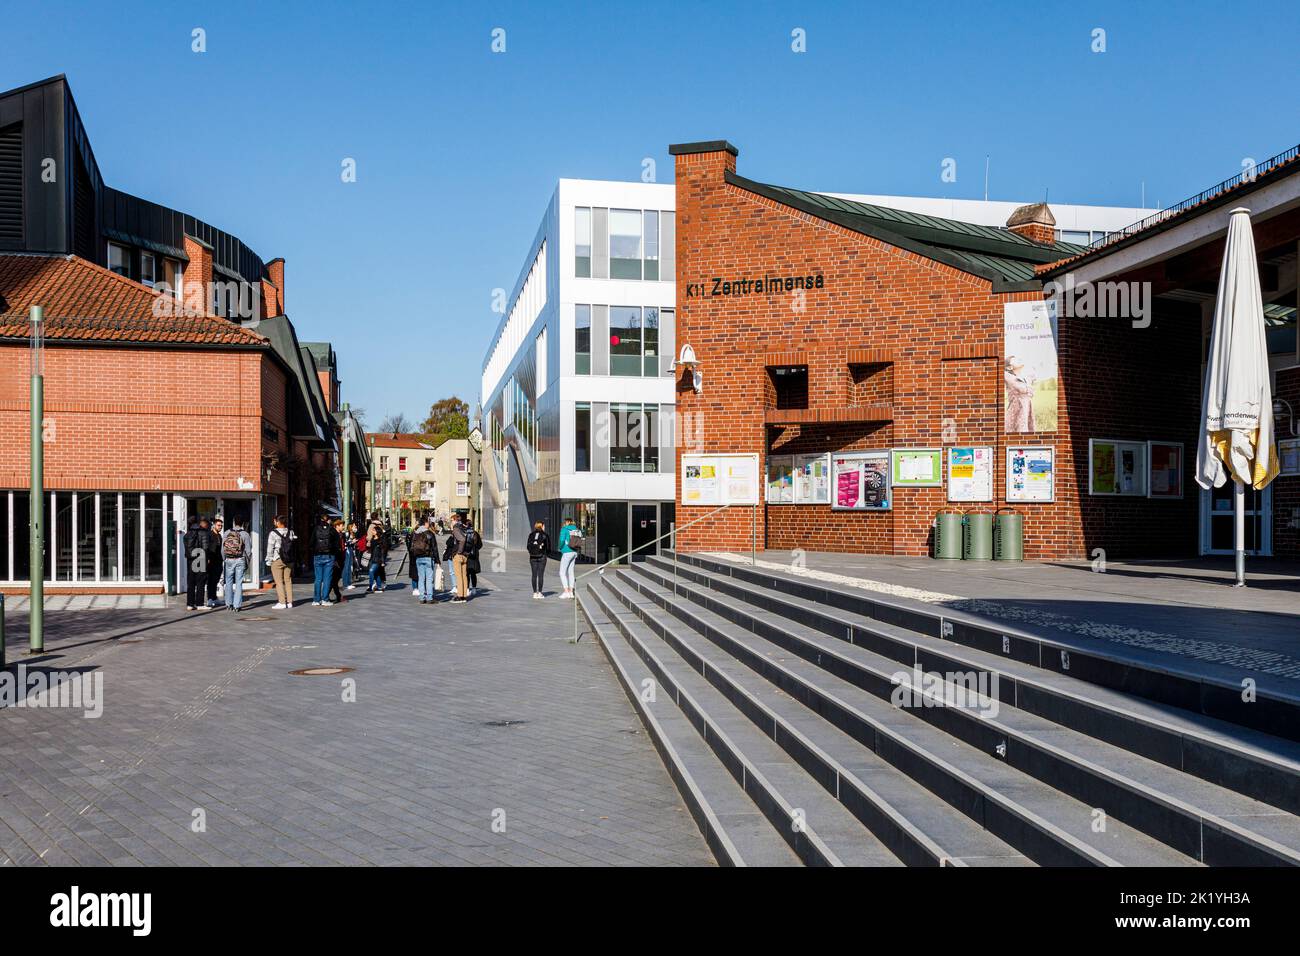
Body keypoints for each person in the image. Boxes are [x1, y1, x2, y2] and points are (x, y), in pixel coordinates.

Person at [221, 517, 253, 612]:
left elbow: (222, 549)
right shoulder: (245, 534)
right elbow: (248, 551)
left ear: (234, 522)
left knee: (229, 581)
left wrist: (224, 559)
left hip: (229, 559)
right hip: (240, 559)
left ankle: (228, 604)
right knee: (239, 582)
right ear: (242, 523)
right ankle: (237, 605)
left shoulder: (226, 533)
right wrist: (247, 562)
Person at [265, 515, 297, 609]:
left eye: (274, 521)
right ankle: (290, 602)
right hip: (289, 559)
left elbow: (270, 548)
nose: (274, 523)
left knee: (279, 582)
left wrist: (269, 559)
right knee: (288, 580)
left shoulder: (273, 533)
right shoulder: (290, 532)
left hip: (277, 558)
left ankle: (282, 602)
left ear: (278, 522)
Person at [183, 516, 213, 611]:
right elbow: (206, 548)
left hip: (190, 560)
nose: (207, 526)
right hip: (200, 559)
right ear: (202, 523)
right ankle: (199, 603)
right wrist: (207, 558)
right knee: (201, 581)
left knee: (191, 582)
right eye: (207, 524)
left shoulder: (188, 533)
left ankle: (190, 604)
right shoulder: (204, 533)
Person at [310, 514, 339, 606]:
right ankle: (325, 599)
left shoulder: (316, 529)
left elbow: (311, 542)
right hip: (329, 556)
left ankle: (316, 600)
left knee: (318, 578)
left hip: (317, 555)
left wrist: (314, 550)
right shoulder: (332, 530)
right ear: (329, 520)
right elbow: (337, 543)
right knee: (327, 578)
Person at [410, 516, 437, 604]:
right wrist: (437, 560)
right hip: (428, 557)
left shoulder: (415, 533)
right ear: (425, 523)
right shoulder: (430, 533)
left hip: (418, 558)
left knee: (421, 578)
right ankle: (429, 598)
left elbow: (411, 547)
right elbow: (434, 547)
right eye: (428, 522)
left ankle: (422, 598)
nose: (429, 524)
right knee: (429, 578)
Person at [558, 515, 580, 599]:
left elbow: (562, 540)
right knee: (571, 571)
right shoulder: (577, 529)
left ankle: (566, 591)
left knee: (562, 572)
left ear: (566, 522)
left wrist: (560, 547)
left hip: (567, 552)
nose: (563, 524)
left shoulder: (564, 529)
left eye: (564, 522)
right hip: (574, 551)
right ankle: (571, 591)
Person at [447, 514, 469, 603]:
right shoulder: (463, 527)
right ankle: (464, 595)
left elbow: (462, 539)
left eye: (451, 520)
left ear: (455, 520)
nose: (451, 522)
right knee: (464, 576)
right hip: (465, 555)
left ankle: (459, 596)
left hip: (458, 555)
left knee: (458, 576)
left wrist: (459, 551)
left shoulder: (456, 528)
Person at [527, 520, 550, 599]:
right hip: (542, 557)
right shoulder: (545, 535)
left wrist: (532, 552)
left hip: (532, 557)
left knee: (534, 575)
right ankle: (540, 592)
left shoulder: (531, 534)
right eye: (544, 526)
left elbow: (528, 546)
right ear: (542, 526)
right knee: (540, 575)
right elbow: (549, 547)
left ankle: (534, 593)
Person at [207, 516, 224, 608]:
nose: (220, 527)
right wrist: (208, 558)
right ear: (214, 526)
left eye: (221, 526)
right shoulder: (209, 535)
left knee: (216, 580)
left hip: (218, 560)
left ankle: (214, 598)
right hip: (211, 561)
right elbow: (207, 548)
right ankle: (210, 598)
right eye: (218, 525)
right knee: (211, 580)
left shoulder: (219, 536)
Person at [329, 518, 348, 604]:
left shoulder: (341, 534)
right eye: (342, 525)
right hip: (336, 559)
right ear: (337, 526)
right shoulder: (333, 534)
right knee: (334, 579)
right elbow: (334, 548)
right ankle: (338, 596)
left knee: (335, 579)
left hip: (341, 558)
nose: (343, 527)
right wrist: (335, 560)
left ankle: (326, 596)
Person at [366, 521, 388, 592]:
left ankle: (370, 586)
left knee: (371, 571)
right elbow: (371, 550)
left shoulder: (380, 540)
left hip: (378, 559)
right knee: (376, 573)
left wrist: (383, 561)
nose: (372, 531)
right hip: (372, 559)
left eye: (373, 530)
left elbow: (383, 551)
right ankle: (379, 587)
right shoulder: (372, 540)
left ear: (377, 531)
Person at [463, 518, 482, 596]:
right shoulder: (475, 533)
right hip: (474, 556)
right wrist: (475, 549)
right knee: (473, 573)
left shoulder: (464, 533)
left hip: (466, 555)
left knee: (466, 573)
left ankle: (467, 589)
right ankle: (474, 588)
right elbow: (480, 545)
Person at [342, 521, 358, 590]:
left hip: (351, 550)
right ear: (351, 526)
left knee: (350, 566)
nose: (356, 527)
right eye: (354, 526)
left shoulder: (352, 533)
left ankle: (348, 582)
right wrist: (352, 542)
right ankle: (346, 583)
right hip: (347, 550)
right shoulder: (347, 533)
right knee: (347, 567)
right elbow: (345, 543)